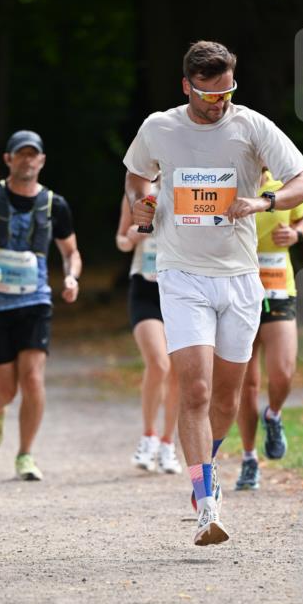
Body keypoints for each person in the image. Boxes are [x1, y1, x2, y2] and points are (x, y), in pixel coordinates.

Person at [124, 40, 303, 545]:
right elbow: (137, 175)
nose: (219, 102)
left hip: (241, 279)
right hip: (182, 275)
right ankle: (205, 500)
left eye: (227, 91)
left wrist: (263, 201)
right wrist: (142, 203)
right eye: (209, 95)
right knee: (196, 390)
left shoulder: (252, 126)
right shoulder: (159, 127)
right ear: (186, 86)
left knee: (227, 398)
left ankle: (206, 460)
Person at [0, 130, 82, 481]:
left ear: (42, 161)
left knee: (32, 379)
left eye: (33, 154)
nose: (27, 160)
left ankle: (25, 454)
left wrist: (71, 277)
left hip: (35, 301)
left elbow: (71, 252)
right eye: (21, 154)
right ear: (8, 159)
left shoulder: (54, 204)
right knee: (6, 389)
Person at [235, 168, 303, 490]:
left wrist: (296, 235)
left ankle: (274, 415)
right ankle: (249, 459)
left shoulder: (284, 187)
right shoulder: (232, 185)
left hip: (278, 288)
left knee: (283, 372)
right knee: (247, 383)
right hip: (239, 291)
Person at [115, 192, 182, 475]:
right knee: (159, 363)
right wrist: (131, 237)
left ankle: (168, 443)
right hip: (145, 287)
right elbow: (121, 241)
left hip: (181, 288)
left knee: (178, 371)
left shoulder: (190, 182)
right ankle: (149, 436)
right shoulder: (139, 190)